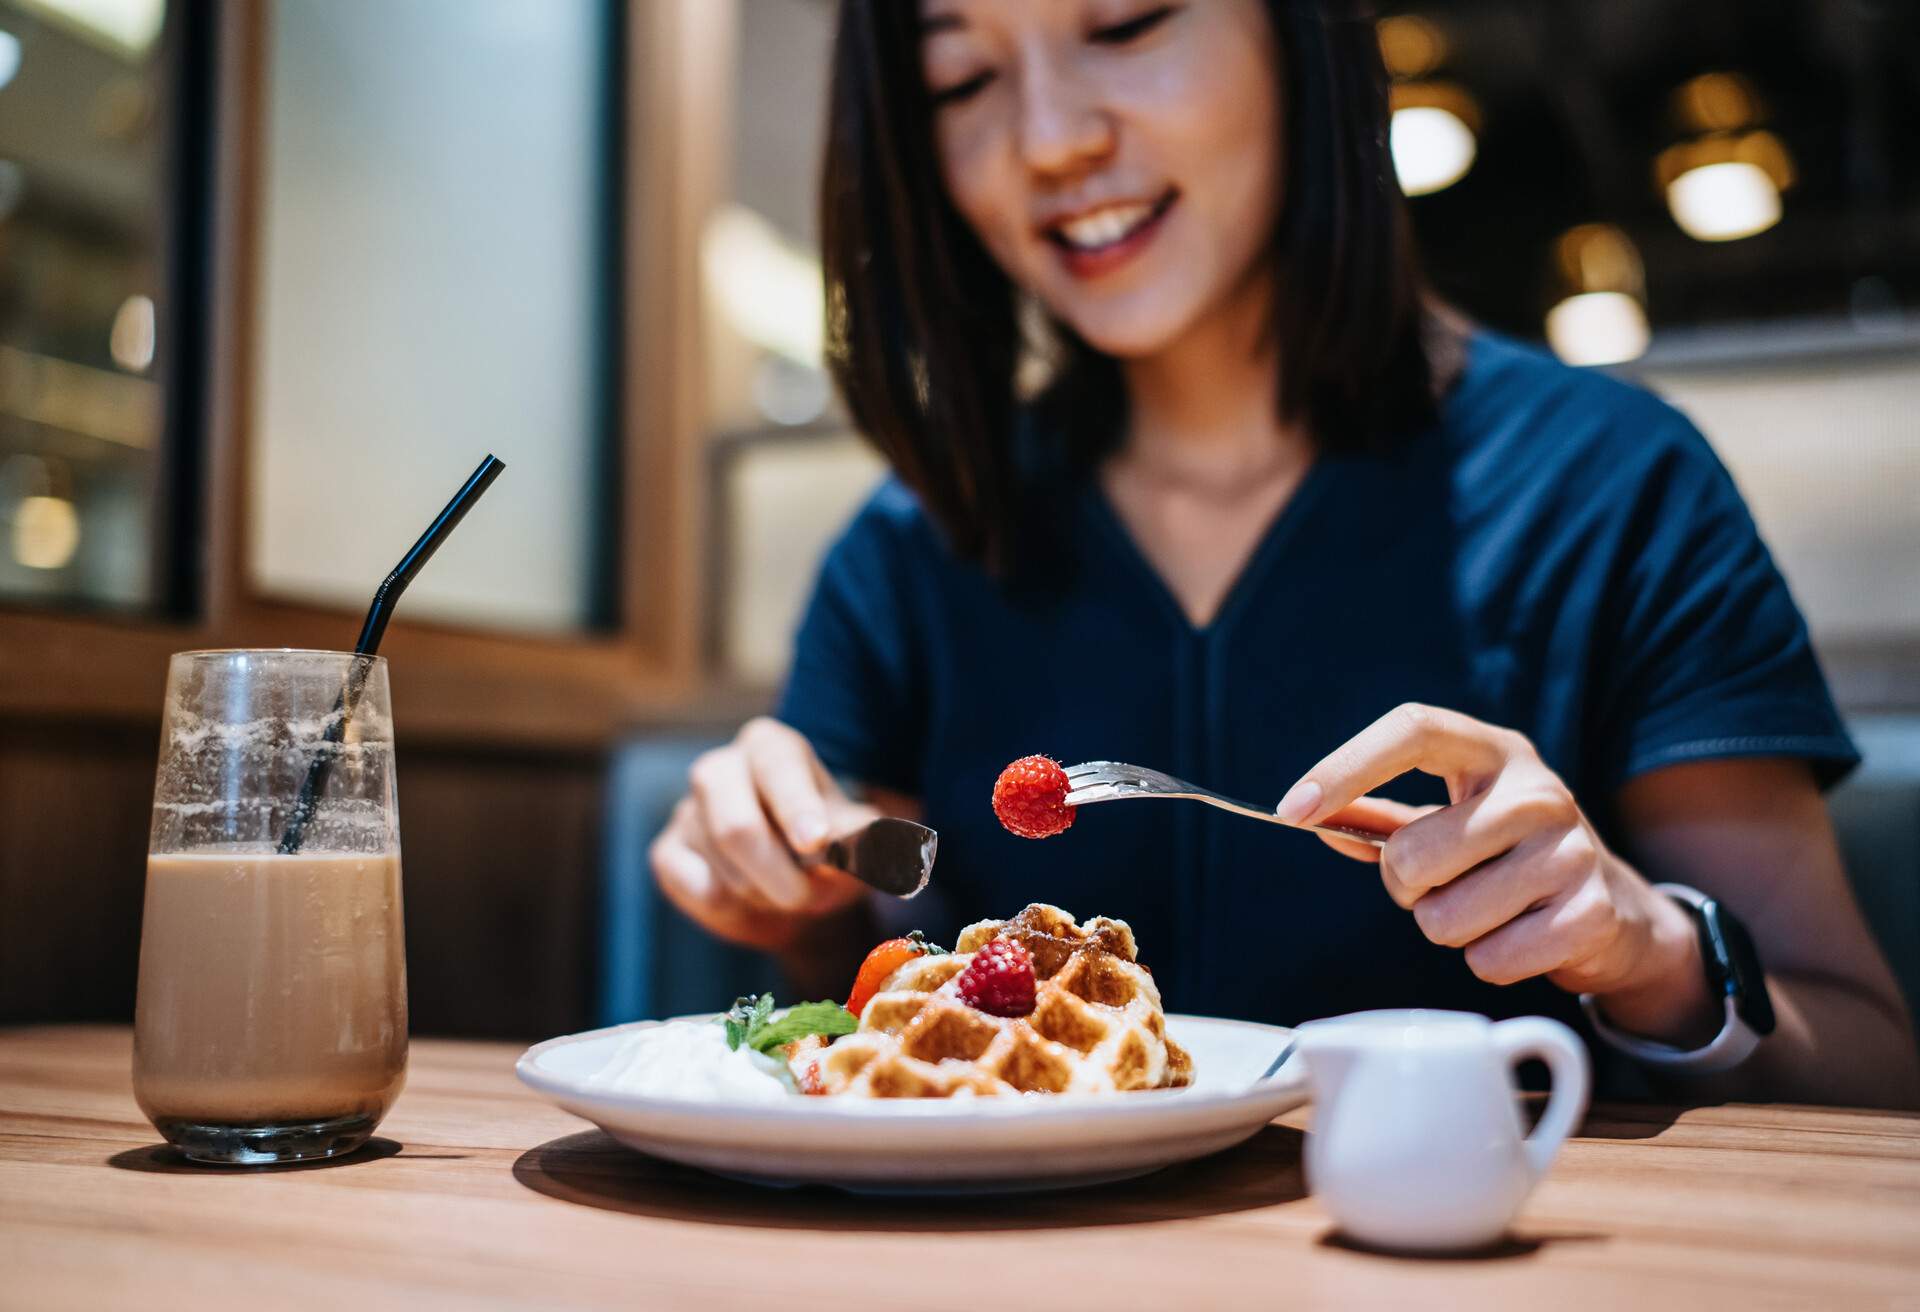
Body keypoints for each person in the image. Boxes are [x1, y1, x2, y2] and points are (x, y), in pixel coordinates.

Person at [652, 0, 1919, 1106]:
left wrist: (1646, 941)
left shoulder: (1616, 487)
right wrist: (782, 887)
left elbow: (1865, 1066)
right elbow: (855, 986)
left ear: (1298, 32)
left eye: (1126, 22)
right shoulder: (911, 549)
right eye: (962, 79)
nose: (1049, 139)